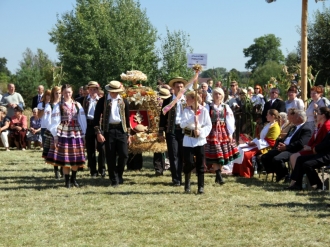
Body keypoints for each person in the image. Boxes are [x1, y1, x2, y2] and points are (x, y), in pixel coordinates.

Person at [46, 84, 87, 188]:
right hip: (64, 132)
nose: (67, 94)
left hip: (76, 132)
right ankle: (67, 182)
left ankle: (74, 179)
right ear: (62, 93)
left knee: (76, 158)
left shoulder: (77, 105)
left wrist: (84, 134)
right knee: (65, 158)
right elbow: (54, 121)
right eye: (65, 92)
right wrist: (55, 135)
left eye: (69, 92)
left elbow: (82, 120)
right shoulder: (58, 105)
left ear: (72, 92)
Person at [93, 81, 130, 187]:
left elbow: (127, 119)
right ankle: (114, 179)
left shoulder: (124, 101)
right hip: (108, 130)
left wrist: (129, 134)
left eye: (116, 92)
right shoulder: (102, 101)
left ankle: (119, 174)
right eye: (113, 91)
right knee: (110, 155)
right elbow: (96, 119)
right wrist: (98, 133)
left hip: (121, 130)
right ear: (109, 91)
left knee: (124, 154)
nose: (115, 93)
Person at [260, 110, 312, 182]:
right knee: (265, 157)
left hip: (293, 149)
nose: (292, 118)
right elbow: (287, 138)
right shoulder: (293, 127)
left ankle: (286, 175)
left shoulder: (306, 128)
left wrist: (286, 147)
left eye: (295, 117)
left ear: (299, 118)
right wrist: (282, 144)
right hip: (285, 147)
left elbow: (301, 143)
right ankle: (279, 173)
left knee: (277, 159)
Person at [204, 87, 240, 183]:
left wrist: (230, 133)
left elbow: (230, 121)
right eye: (215, 94)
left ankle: (218, 174)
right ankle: (219, 175)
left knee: (222, 154)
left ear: (222, 96)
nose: (217, 96)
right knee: (216, 153)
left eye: (219, 94)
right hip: (212, 132)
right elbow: (204, 119)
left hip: (223, 132)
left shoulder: (226, 107)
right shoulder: (208, 107)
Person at [232, 109, 281, 178]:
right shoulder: (268, 124)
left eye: (268, 115)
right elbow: (259, 137)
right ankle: (237, 171)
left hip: (265, 147)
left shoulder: (275, 127)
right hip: (259, 144)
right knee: (239, 148)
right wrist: (252, 142)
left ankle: (246, 173)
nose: (266, 116)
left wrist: (254, 144)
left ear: (272, 116)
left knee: (246, 154)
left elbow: (270, 142)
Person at [180, 91, 212, 193]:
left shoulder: (204, 111)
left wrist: (201, 132)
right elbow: (182, 124)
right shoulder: (186, 110)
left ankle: (200, 186)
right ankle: (187, 184)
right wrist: (191, 119)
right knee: (188, 162)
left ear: (193, 99)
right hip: (188, 139)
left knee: (200, 163)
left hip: (199, 140)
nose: (186, 100)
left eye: (188, 98)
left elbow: (208, 125)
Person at [159, 77, 188, 186]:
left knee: (183, 154)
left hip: (185, 131)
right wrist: (160, 131)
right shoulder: (168, 100)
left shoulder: (187, 100)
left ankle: (183, 176)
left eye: (181, 87)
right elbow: (162, 116)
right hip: (172, 130)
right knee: (173, 154)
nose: (179, 88)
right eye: (177, 87)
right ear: (173, 88)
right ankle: (176, 179)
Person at [82, 81, 105, 177]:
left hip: (99, 125)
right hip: (88, 125)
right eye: (90, 89)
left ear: (98, 90)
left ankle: (102, 168)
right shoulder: (84, 100)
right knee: (90, 149)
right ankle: (93, 170)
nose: (92, 91)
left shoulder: (101, 100)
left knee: (102, 148)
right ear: (88, 90)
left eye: (94, 89)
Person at [42, 86, 62, 179]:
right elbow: (47, 121)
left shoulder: (63, 104)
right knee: (54, 151)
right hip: (53, 131)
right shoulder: (49, 105)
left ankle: (62, 169)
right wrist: (53, 130)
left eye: (60, 93)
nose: (58, 95)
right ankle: (56, 171)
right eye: (56, 93)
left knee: (62, 151)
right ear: (53, 94)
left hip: (63, 130)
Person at [153, 88, 171, 176]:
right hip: (156, 127)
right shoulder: (154, 104)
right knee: (158, 148)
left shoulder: (170, 103)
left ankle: (167, 165)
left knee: (169, 149)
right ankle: (158, 168)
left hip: (167, 127)